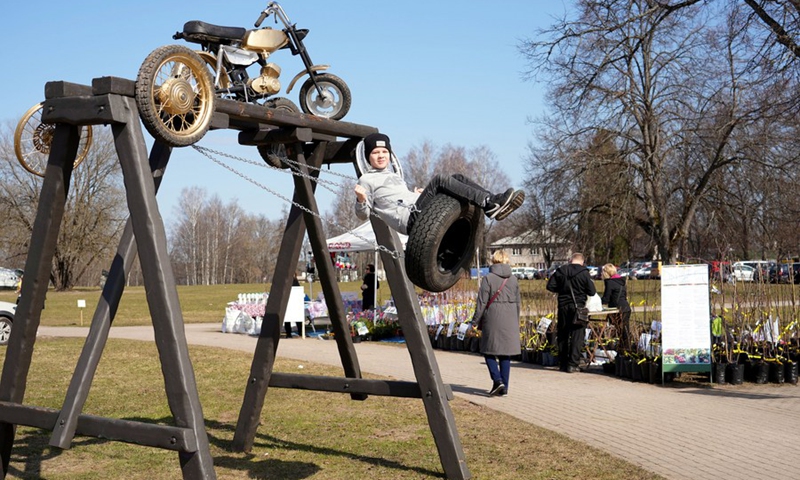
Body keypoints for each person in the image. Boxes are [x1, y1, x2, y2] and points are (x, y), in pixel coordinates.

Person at [354, 133, 525, 235]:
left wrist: (416, 195)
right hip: (410, 220)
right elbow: (363, 215)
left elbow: (397, 199)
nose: (381, 156)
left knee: (457, 177)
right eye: (375, 152)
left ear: (390, 155)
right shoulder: (366, 179)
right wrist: (361, 199)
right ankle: (488, 203)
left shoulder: (395, 176)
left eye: (384, 151)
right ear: (368, 157)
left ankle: (492, 202)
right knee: (440, 180)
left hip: (418, 209)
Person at [470, 250, 521, 396]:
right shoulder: (514, 279)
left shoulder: (488, 278)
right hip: (510, 318)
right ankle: (504, 388)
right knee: (506, 354)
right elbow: (518, 302)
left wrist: (475, 321)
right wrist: (515, 320)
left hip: (493, 318)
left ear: (494, 261)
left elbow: (482, 302)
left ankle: (497, 380)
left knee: (488, 350)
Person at [546, 253, 597, 373]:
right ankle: (573, 364)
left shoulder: (561, 270)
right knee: (577, 335)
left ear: (570, 260)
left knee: (563, 333)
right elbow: (592, 291)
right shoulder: (584, 273)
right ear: (582, 262)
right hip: (578, 307)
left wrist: (562, 290)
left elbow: (550, 286)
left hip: (563, 305)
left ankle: (563, 363)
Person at [601, 263, 632, 352]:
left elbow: (606, 299)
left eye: (603, 272)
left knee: (621, 332)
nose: (601, 274)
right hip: (626, 308)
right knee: (624, 331)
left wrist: (597, 301)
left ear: (606, 273)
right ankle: (626, 350)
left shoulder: (609, 282)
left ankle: (624, 350)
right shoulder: (621, 281)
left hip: (617, 310)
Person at [284, 274, 304, 339]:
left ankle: (288, 333)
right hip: (295, 302)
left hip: (289, 301)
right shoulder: (295, 281)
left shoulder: (286, 280)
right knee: (297, 318)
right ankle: (300, 332)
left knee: (287, 319)